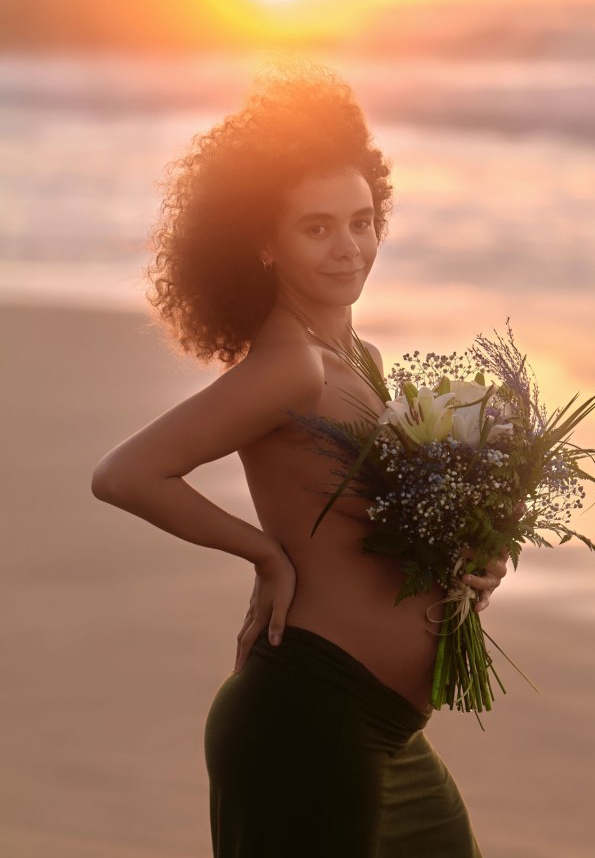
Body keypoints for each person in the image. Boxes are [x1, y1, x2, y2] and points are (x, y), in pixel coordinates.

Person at [91, 59, 509, 857]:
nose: (348, 245)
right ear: (263, 243)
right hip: (308, 724)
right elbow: (125, 473)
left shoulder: (359, 354)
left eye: (361, 219)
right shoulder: (293, 366)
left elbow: (364, 533)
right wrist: (263, 555)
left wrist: (466, 562)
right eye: (315, 227)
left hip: (385, 734)